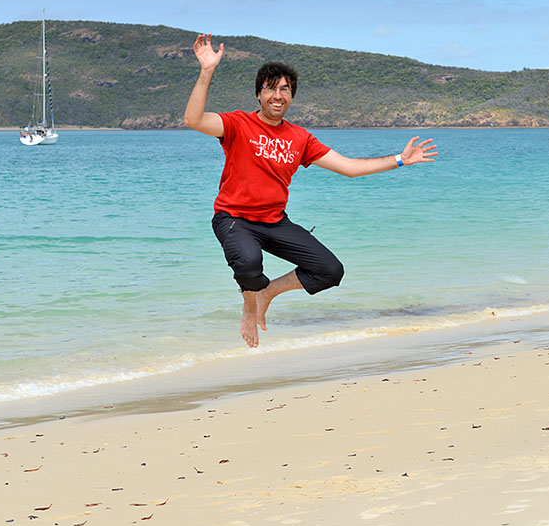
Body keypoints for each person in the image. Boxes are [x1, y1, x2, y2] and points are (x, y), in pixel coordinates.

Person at [185, 34, 438, 348]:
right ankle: (250, 304)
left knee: (330, 270)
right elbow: (193, 119)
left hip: (275, 222)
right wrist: (207, 70)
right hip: (234, 218)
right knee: (249, 263)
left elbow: (350, 167)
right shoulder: (238, 125)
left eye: (285, 89)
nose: (278, 95)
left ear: (291, 96)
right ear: (259, 94)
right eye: (270, 88)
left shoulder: (300, 138)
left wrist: (400, 159)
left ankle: (267, 292)